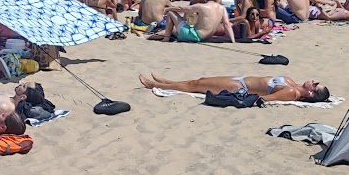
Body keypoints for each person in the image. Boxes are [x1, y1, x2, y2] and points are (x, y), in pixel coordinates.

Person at [138, 71, 330, 104]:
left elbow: (264, 99)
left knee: (196, 86)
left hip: (240, 88)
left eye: (315, 84)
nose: (312, 81)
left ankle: (155, 84)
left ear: (311, 92)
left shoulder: (291, 92)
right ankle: (167, 82)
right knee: (200, 81)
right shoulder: (293, 85)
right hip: (241, 81)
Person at [157, 0, 230, 42]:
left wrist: (168, 9)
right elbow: (227, 24)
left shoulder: (201, 6)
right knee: (177, 29)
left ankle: (166, 38)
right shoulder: (221, 7)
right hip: (206, 37)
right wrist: (232, 40)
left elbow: (181, 8)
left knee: (170, 13)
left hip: (194, 36)